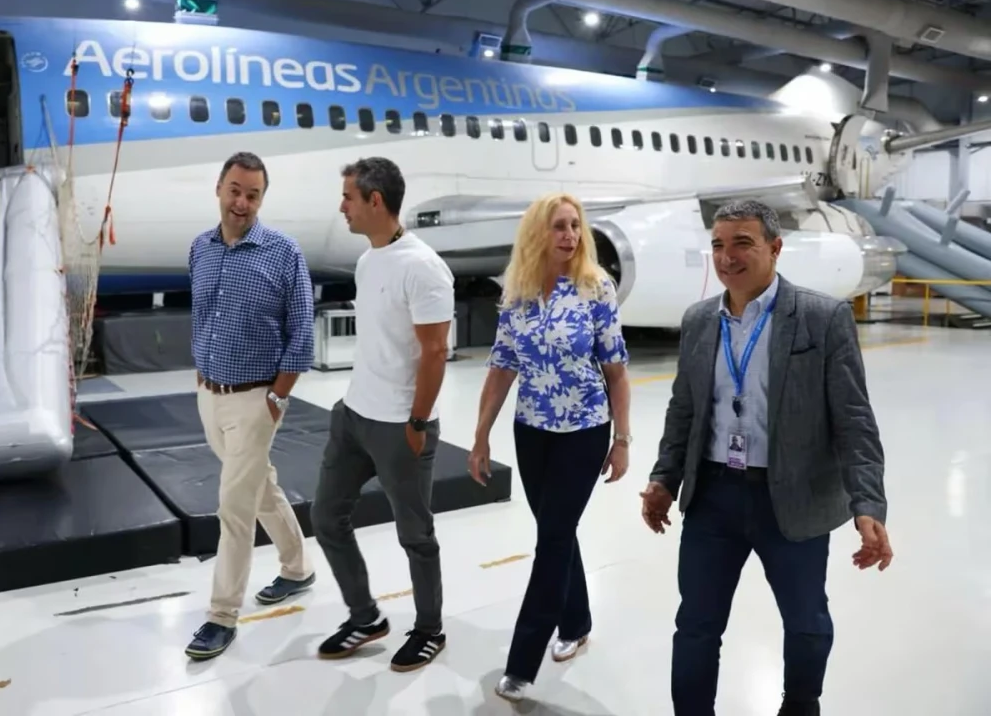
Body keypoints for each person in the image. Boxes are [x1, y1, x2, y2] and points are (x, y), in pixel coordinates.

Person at [640, 199, 893, 716]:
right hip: (713, 497)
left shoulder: (822, 318)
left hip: (793, 499)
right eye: (718, 244)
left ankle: (800, 705)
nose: (727, 257)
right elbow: (683, 410)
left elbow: (854, 420)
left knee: (805, 622)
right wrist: (664, 478)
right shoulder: (699, 321)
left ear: (775, 248)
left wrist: (868, 504)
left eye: (742, 243)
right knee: (696, 624)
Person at [467, 192, 632, 703]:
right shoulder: (516, 292)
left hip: (583, 431)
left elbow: (617, 371)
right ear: (538, 233)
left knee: (553, 539)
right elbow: (501, 368)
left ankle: (522, 662)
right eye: (559, 226)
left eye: (575, 226)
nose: (570, 236)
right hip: (531, 431)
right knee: (556, 532)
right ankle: (577, 621)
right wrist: (480, 436)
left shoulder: (595, 288)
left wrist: (622, 438)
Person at [310, 156, 455, 673]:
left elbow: (435, 352)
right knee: (326, 516)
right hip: (353, 415)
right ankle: (366, 617)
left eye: (349, 196)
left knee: (416, 535)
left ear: (376, 201)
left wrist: (417, 422)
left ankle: (430, 628)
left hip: (400, 425)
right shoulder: (369, 260)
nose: (342, 206)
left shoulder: (423, 267)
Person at [184, 151, 317, 661]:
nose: (242, 202)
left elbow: (301, 334)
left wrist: (277, 398)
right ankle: (297, 567)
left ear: (262, 198)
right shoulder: (201, 248)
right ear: (219, 188)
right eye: (235, 190)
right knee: (260, 488)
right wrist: (201, 372)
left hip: (257, 399)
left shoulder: (283, 252)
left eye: (253, 194)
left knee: (233, 508)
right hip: (209, 395)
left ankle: (222, 615)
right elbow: (201, 315)